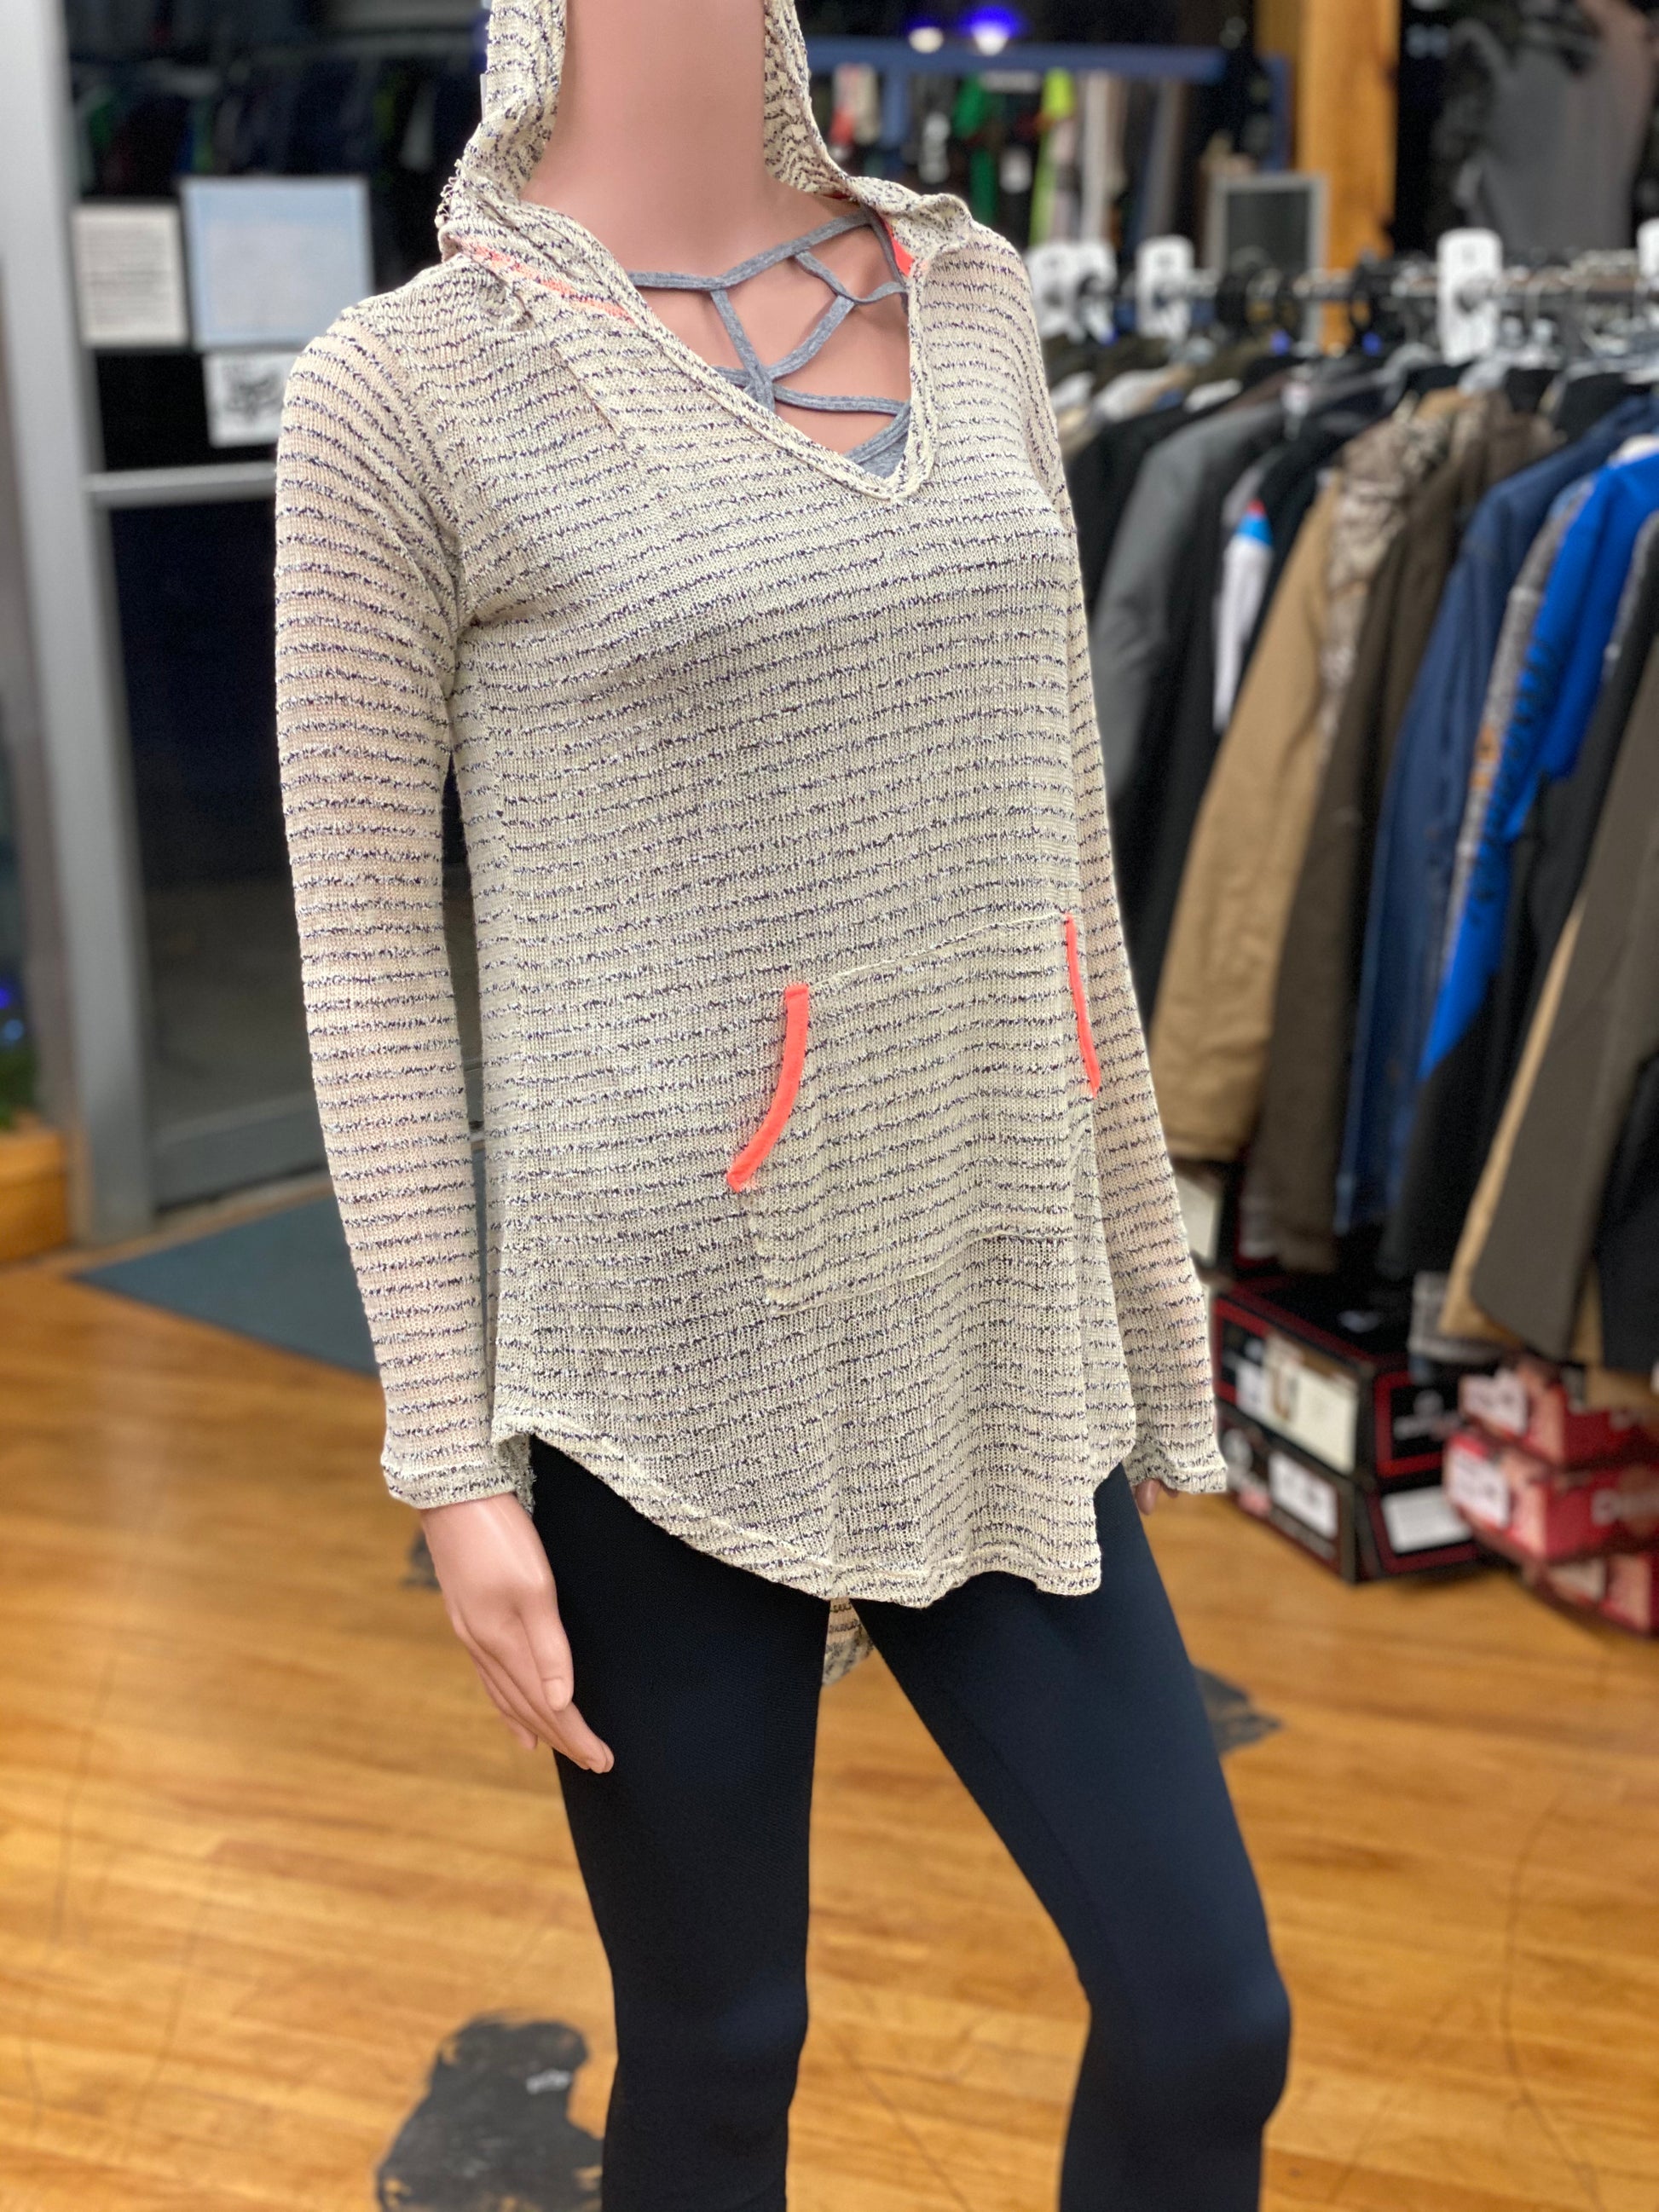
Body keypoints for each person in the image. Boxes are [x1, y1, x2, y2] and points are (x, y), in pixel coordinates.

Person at [273, 3, 1292, 2205]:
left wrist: (1142, 1259)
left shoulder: (970, 293)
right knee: (722, 2046)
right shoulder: (405, 390)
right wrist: (449, 1464)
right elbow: (363, 957)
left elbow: (1060, 838)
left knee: (1209, 2013)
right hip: (663, 1362)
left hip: (983, 1298)